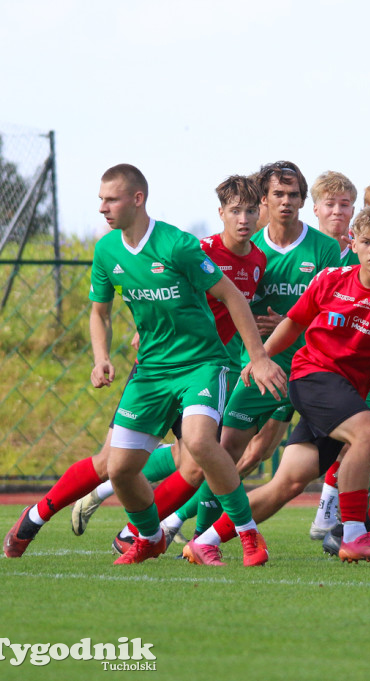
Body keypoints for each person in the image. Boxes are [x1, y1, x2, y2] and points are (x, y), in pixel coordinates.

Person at [6, 164, 285, 566]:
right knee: (118, 468)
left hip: (201, 365)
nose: (102, 207)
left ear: (138, 199)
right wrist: (101, 358)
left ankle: (245, 535)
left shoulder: (178, 245)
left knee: (202, 446)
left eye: (111, 199)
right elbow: (99, 313)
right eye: (100, 199)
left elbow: (232, 298)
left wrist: (257, 357)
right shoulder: (108, 250)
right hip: (151, 371)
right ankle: (149, 536)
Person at [182, 206, 370, 565]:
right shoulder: (330, 279)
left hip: (344, 392)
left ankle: (204, 541)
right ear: (354, 243)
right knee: (367, 433)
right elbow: (292, 322)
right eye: (366, 242)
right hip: (311, 376)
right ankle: (352, 535)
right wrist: (262, 358)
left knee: (287, 483)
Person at [70, 174, 269, 542]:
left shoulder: (258, 260)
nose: (244, 219)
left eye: (251, 210)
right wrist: (149, 324)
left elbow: (233, 308)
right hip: (163, 362)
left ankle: (169, 532)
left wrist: (253, 351)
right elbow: (155, 288)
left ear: (262, 213)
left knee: (201, 455)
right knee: (184, 455)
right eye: (236, 210)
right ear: (221, 213)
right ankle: (131, 516)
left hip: (208, 366)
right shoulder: (199, 248)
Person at [306, 173, 370, 541]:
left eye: (345, 204)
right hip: (302, 366)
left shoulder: (360, 251)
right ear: (314, 209)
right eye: (330, 204)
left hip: (349, 367)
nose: (338, 211)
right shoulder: (307, 250)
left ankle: (334, 517)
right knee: (247, 453)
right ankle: (184, 523)